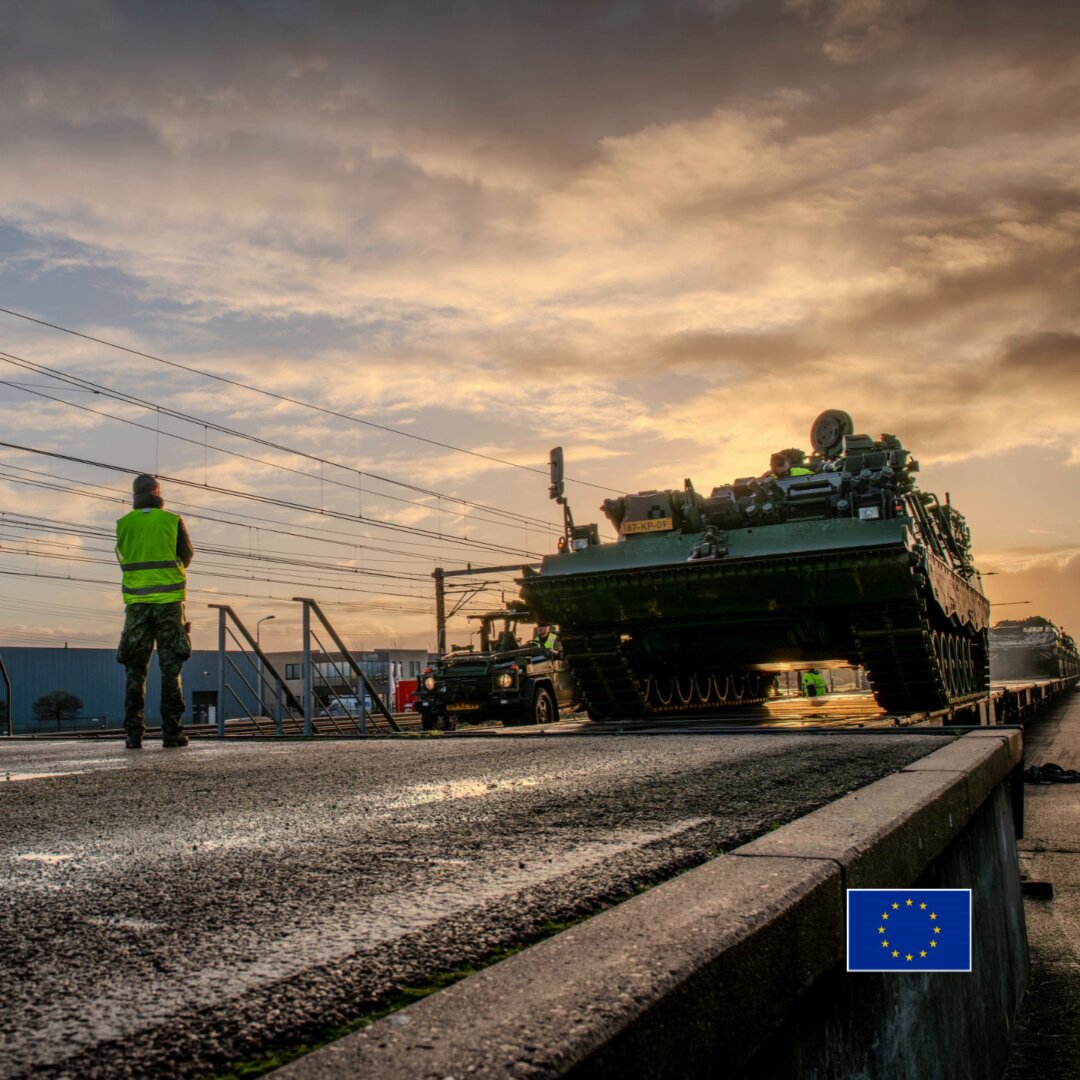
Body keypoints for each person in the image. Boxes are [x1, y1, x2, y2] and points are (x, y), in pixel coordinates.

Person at [115, 474, 194, 749]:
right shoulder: (171, 521)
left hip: (136, 605)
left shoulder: (123, 524)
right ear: (157, 492)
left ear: (135, 495)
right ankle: (172, 732)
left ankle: (133, 735)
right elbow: (187, 555)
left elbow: (122, 556)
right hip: (170, 604)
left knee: (135, 670)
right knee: (170, 668)